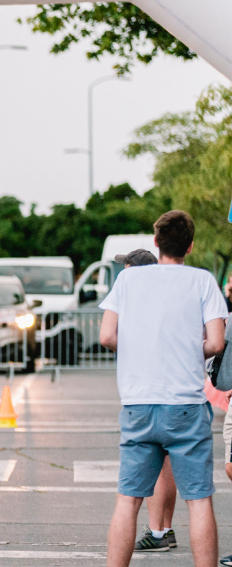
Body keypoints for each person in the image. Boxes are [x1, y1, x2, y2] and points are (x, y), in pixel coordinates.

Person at [98, 210, 227, 567]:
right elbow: (217, 343)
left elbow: (107, 336)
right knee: (199, 500)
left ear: (156, 242)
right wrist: (187, 350)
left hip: (139, 404)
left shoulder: (128, 280)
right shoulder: (203, 281)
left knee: (128, 500)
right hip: (186, 406)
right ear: (190, 246)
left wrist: (140, 350)